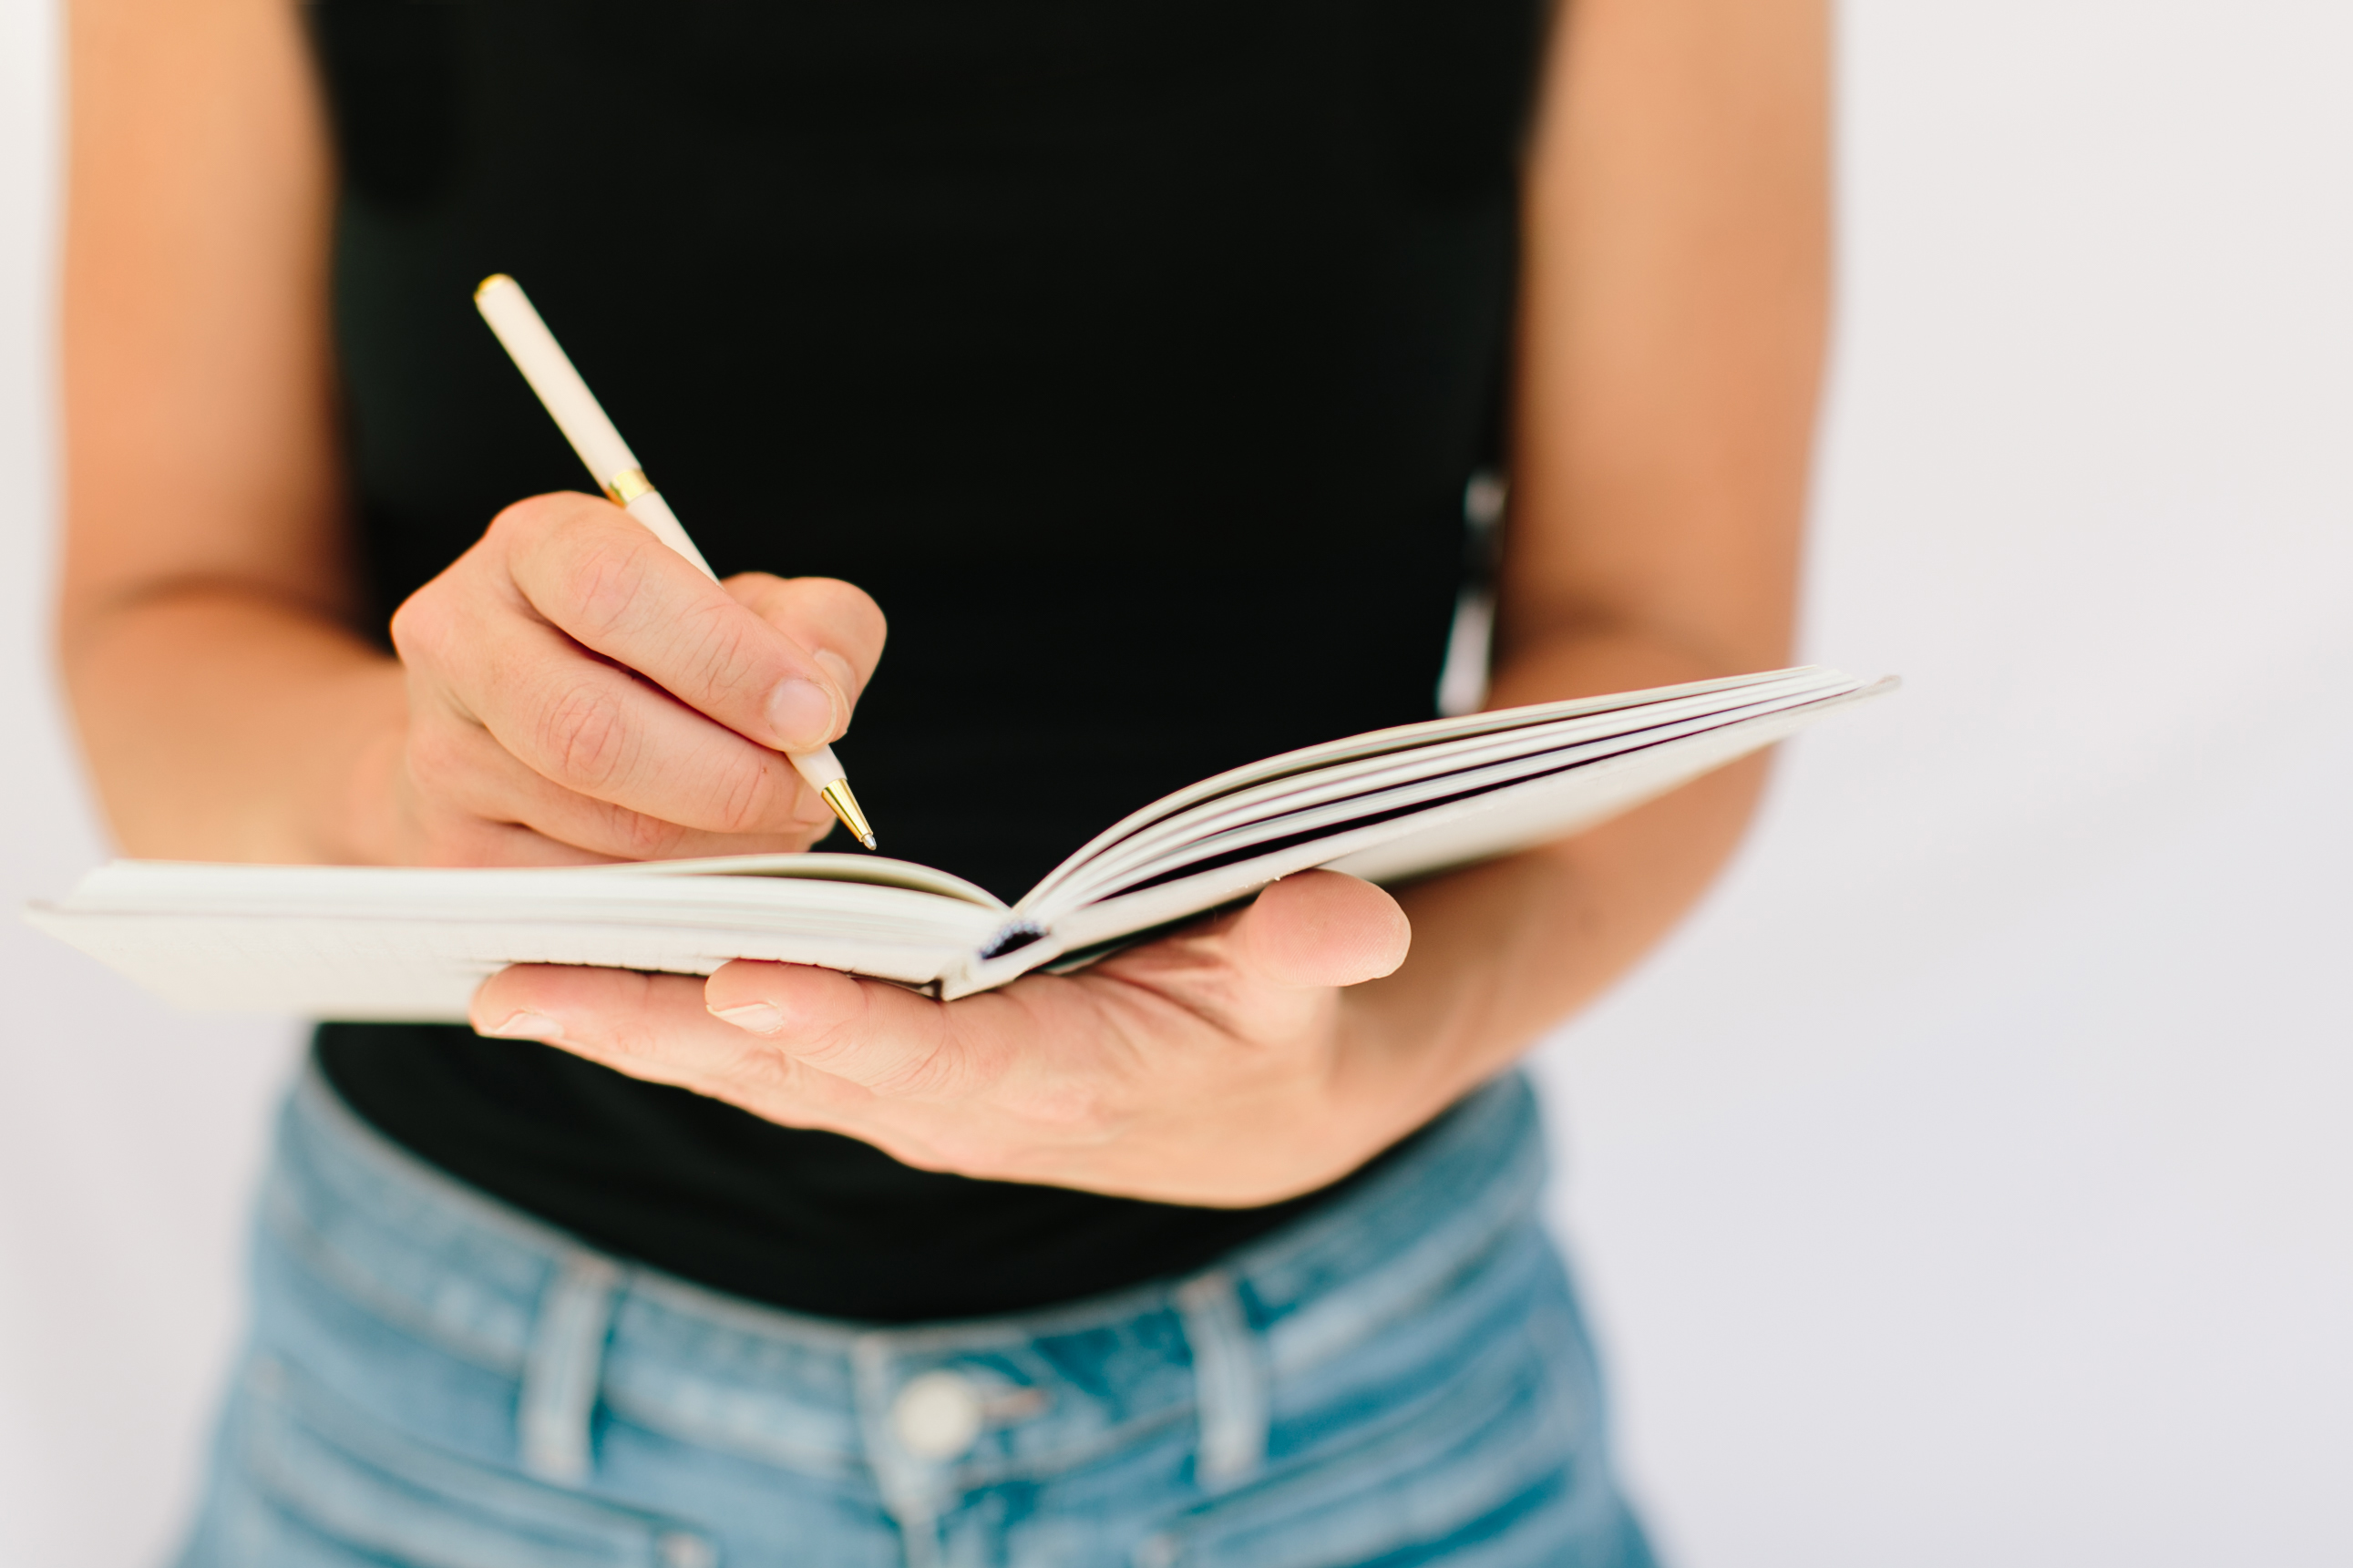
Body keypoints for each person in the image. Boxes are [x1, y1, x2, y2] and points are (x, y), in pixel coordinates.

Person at [60, 0, 1824, 1561]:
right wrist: (421, 788)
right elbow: (160, 619)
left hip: (1366, 1402)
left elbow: (1668, 640)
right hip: (455, 1435)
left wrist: (1373, 1051)